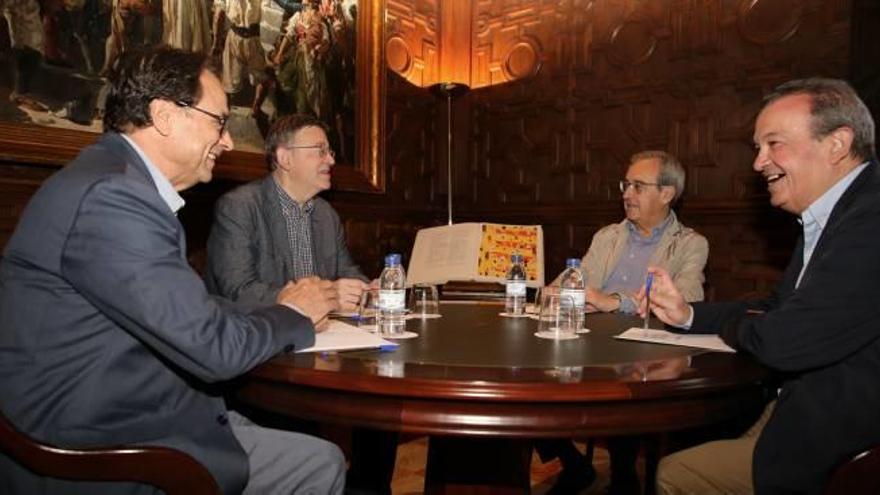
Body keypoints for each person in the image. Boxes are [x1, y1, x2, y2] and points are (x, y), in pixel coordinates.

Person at [0, 46, 346, 494]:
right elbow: (214, 350)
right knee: (320, 463)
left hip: (121, 411)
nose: (226, 140)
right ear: (164, 115)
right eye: (218, 122)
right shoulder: (114, 199)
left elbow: (189, 308)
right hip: (102, 453)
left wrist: (279, 305)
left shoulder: (111, 180)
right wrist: (294, 314)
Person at [644, 77, 880, 494]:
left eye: (774, 144)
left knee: (673, 474)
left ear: (837, 144)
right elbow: (777, 306)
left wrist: (737, 328)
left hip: (845, 444)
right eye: (758, 147)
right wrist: (688, 314)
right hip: (797, 410)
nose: (758, 163)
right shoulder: (835, 215)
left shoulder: (870, 219)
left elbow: (786, 339)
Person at [204, 114, 397, 494]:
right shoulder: (240, 207)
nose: (330, 160)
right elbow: (237, 291)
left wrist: (366, 288)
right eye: (320, 151)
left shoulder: (325, 215)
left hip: (320, 353)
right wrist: (327, 293)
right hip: (260, 360)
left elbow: (348, 271)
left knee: (383, 408)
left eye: (331, 151)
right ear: (284, 157)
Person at [539, 151, 709, 494]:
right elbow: (577, 277)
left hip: (644, 348)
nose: (626, 194)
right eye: (625, 184)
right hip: (588, 339)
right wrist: (556, 289)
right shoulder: (607, 236)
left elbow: (688, 299)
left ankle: (623, 474)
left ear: (666, 193)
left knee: (627, 377)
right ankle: (573, 464)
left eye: (638, 186)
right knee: (531, 379)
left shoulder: (691, 244)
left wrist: (614, 301)